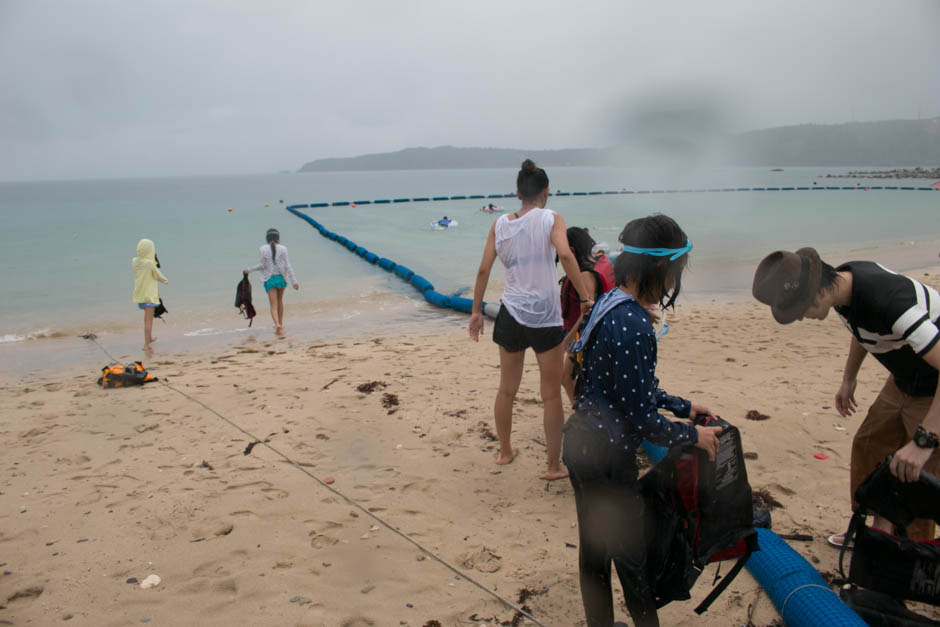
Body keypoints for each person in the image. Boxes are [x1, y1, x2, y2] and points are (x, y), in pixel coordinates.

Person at [563, 214, 720, 627]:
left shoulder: (610, 301)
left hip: (578, 442)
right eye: (674, 274)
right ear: (658, 269)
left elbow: (627, 387)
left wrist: (684, 406)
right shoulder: (634, 324)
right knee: (633, 563)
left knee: (594, 550)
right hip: (607, 459)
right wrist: (694, 435)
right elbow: (643, 418)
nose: (673, 285)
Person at [753, 249, 940, 544]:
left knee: (917, 471)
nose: (801, 319)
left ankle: (912, 552)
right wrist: (849, 378)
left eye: (799, 312)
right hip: (904, 377)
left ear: (816, 294)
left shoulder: (892, 304)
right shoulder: (843, 289)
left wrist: (923, 442)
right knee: (869, 443)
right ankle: (867, 532)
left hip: (935, 385)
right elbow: (863, 327)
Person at [468, 159, 594, 481]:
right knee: (550, 393)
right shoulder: (552, 218)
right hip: (544, 315)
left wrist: (476, 312)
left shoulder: (500, 225)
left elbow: (483, 269)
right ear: (546, 192)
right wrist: (584, 297)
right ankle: (553, 466)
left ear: (518, 193)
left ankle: (504, 451)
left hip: (510, 311)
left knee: (507, 389)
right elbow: (566, 256)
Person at [560, 227, 615, 404]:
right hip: (580, 336)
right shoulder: (578, 273)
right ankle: (582, 412)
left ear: (572, 251)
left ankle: (581, 414)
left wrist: (567, 340)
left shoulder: (585, 275)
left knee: (567, 378)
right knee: (574, 378)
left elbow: (588, 314)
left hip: (586, 336)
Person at [243, 228, 298, 334]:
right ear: (278, 238)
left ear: (267, 238)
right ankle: (280, 323)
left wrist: (249, 270)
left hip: (270, 280)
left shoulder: (263, 249)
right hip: (281, 279)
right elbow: (288, 266)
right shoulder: (283, 248)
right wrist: (294, 281)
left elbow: (262, 265)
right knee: (280, 302)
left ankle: (276, 324)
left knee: (273, 305)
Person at [132, 238, 168, 351]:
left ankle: (150, 338)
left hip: (140, 296)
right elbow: (158, 275)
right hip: (149, 297)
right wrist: (165, 281)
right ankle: (146, 345)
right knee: (148, 321)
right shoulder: (149, 264)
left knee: (147, 319)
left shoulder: (135, 262)